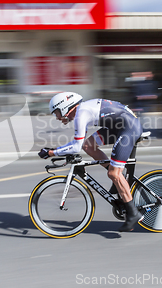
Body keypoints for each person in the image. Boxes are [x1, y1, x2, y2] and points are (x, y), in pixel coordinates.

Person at [38, 92, 144, 232]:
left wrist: (52, 152)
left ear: (65, 107)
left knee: (113, 174)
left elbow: (75, 146)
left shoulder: (81, 114)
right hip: (119, 126)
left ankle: (133, 213)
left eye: (57, 113)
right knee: (88, 146)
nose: (57, 117)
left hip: (128, 128)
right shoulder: (82, 111)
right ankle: (120, 178)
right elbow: (80, 144)